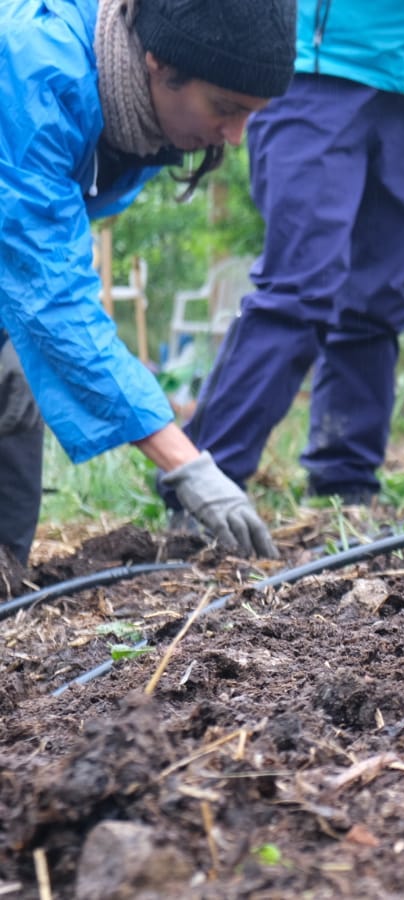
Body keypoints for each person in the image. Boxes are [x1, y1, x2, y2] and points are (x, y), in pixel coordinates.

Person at [163, 0, 404, 510]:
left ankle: (345, 485)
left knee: (378, 301)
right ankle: (205, 484)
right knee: (301, 288)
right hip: (320, 65)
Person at [0, 0, 293, 565]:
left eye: (250, 115)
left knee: (14, 382)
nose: (235, 136)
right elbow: (49, 299)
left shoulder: (134, 111)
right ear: (158, 64)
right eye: (226, 108)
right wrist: (185, 463)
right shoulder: (34, 68)